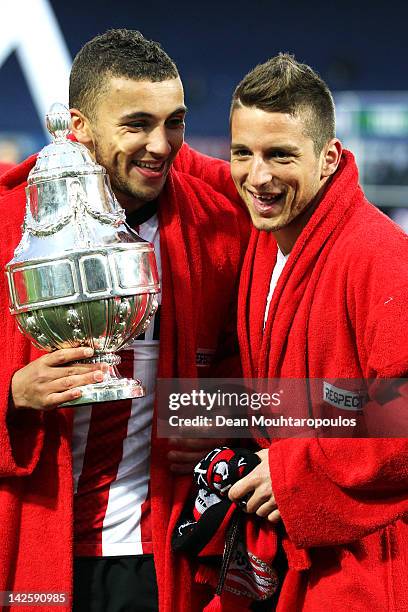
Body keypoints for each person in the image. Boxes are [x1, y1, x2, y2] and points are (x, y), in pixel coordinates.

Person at [0, 30, 249, 612]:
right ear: (80, 126)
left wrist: (222, 422)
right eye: (136, 124)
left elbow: (257, 370)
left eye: (175, 123)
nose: (161, 145)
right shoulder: (10, 223)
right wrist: (11, 393)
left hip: (161, 557)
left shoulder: (216, 229)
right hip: (30, 546)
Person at [226, 54, 408, 610]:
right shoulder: (266, 242)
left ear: (328, 157)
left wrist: (293, 470)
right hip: (298, 555)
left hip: (372, 566)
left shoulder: (380, 255)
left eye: (280, 155)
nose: (258, 176)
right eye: (243, 154)